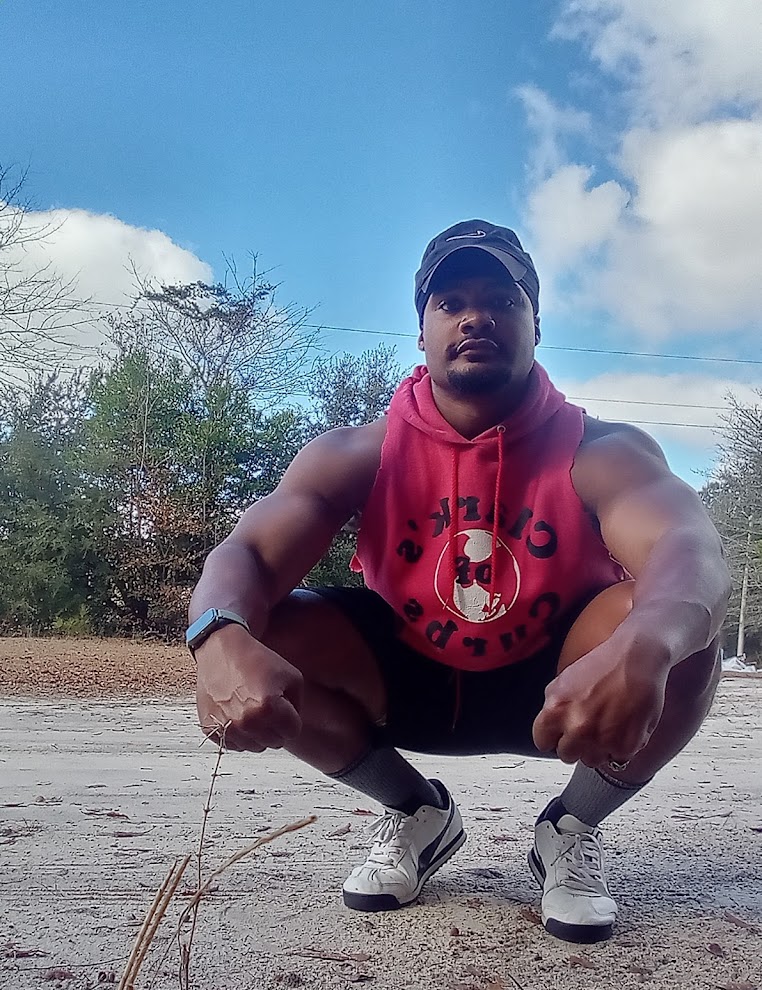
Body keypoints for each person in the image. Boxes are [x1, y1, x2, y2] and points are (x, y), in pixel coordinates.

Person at [188, 220, 730, 943]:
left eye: (502, 300)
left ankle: (570, 827)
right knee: (261, 623)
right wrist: (214, 636)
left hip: (562, 692)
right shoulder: (356, 453)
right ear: (422, 332)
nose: (476, 317)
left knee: (681, 627)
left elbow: (691, 550)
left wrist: (648, 646)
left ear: (536, 326)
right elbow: (247, 555)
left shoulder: (603, 450)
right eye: (451, 303)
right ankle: (418, 813)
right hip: (411, 682)